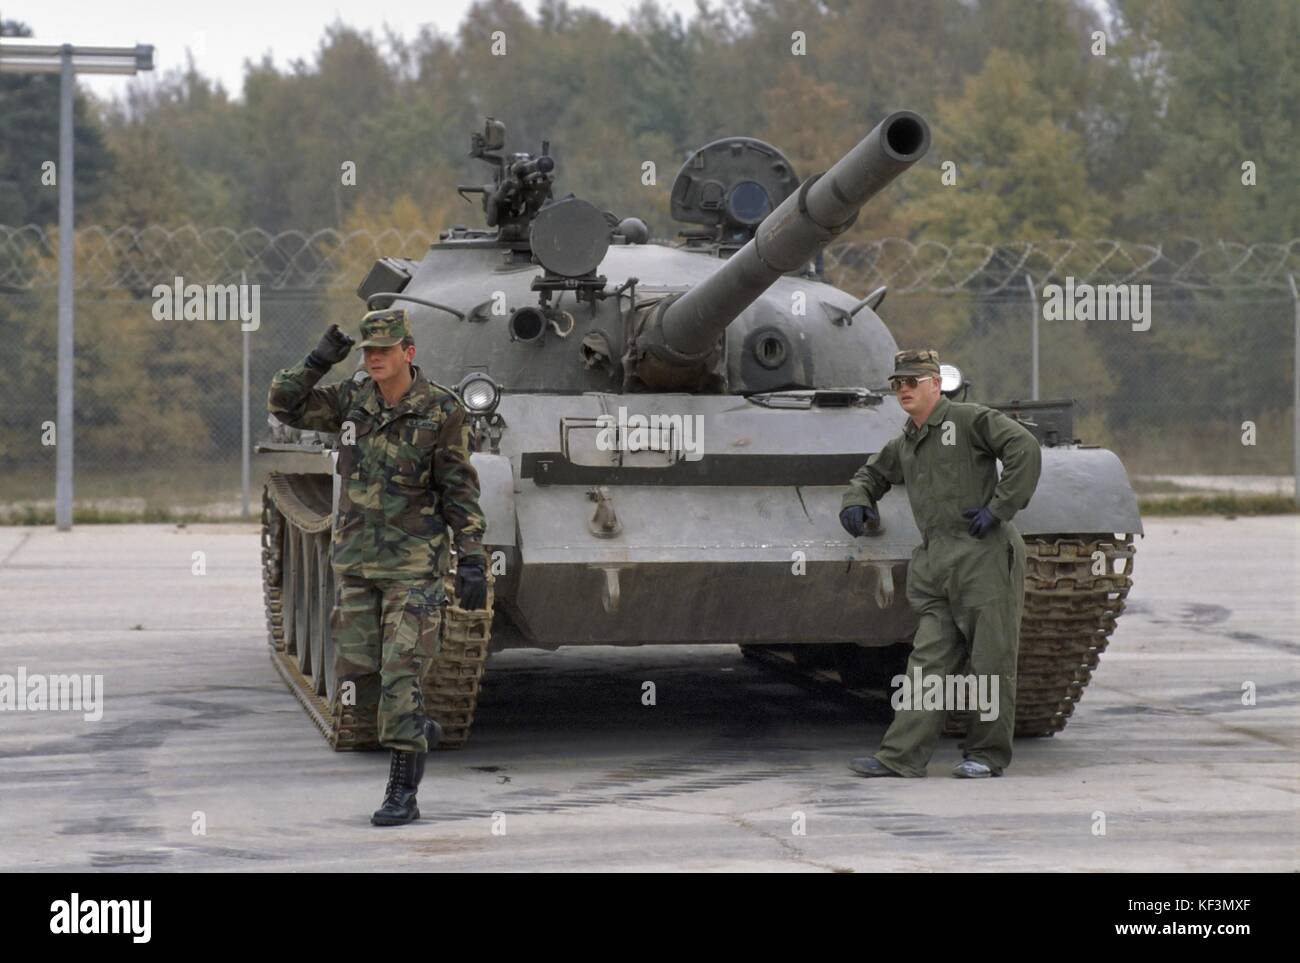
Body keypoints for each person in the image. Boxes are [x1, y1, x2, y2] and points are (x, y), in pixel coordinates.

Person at [268, 308, 488, 823]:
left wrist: (473, 554)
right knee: (361, 679)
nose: (373, 359)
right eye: (368, 351)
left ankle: (402, 794)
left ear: (408, 353)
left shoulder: (441, 411)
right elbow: (285, 404)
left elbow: (460, 488)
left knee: (401, 674)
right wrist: (320, 359)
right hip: (357, 565)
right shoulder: (351, 400)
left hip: (414, 567)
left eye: (383, 350)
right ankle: (418, 730)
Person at [839, 349, 1041, 778]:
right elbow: (870, 475)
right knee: (927, 662)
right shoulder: (907, 442)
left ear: (935, 384)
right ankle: (901, 757)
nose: (903, 390)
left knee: (990, 660)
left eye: (913, 381)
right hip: (936, 563)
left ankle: (985, 755)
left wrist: (1000, 508)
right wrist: (857, 500)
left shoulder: (969, 420)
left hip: (983, 555)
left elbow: (1023, 446)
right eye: (897, 383)